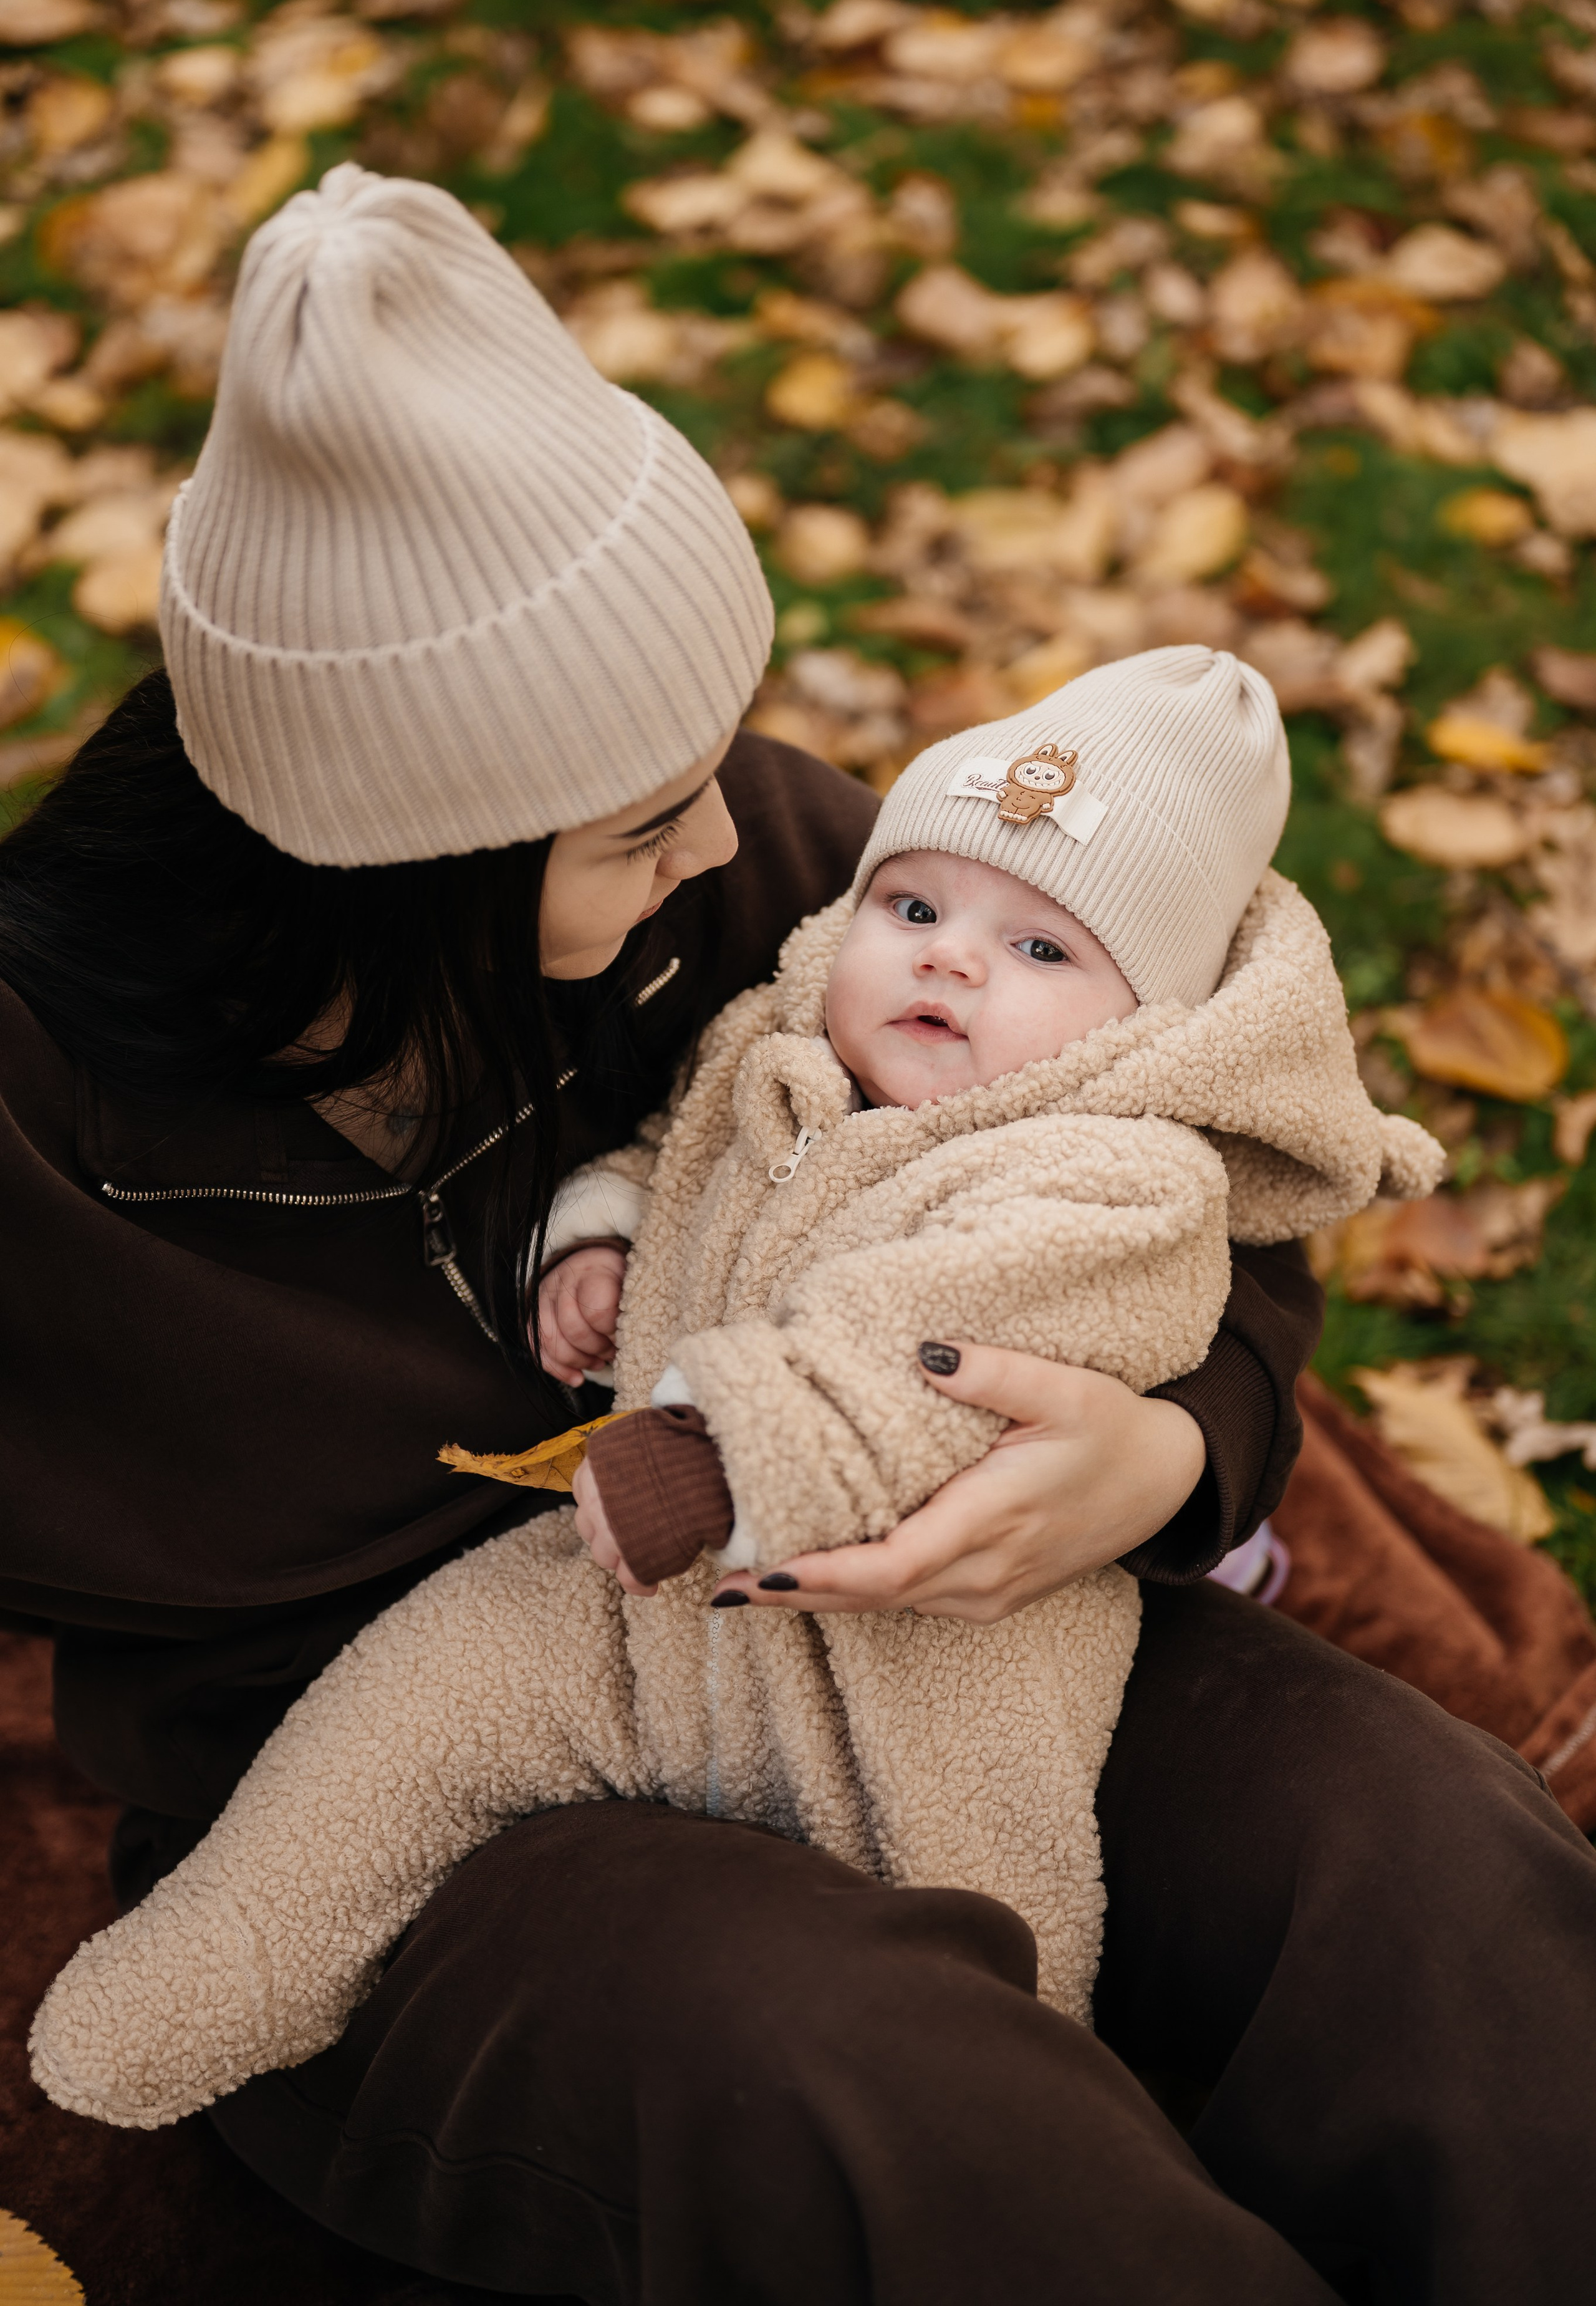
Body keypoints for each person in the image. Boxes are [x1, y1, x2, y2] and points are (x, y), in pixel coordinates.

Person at [2, 165, 1593, 2305]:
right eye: (644, 822)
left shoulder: (750, 857)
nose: (735, 844)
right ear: (412, 868)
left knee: (1419, 1854)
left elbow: (1153, 1143)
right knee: (891, 2090)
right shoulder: (37, 1125)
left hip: (925, 1627)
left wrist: (1175, 1445)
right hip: (429, 1793)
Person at [30, 650, 1450, 2130]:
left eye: (1039, 953)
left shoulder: (1106, 1172)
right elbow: (671, 1155)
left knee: (984, 1921)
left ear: (1145, 1030)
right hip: (617, 1607)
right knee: (408, 1709)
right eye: (910, 909)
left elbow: (907, 1343)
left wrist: (716, 1455)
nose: (949, 958)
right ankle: (216, 1965)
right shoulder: (773, 1054)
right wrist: (600, 1234)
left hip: (919, 1639)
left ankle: (1022, 2121)